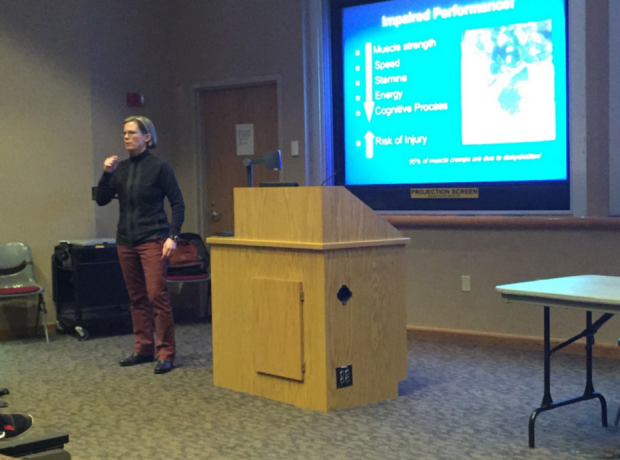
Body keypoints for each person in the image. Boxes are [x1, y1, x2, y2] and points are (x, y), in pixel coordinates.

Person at [96, 116, 185, 374]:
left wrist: (173, 236)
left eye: (132, 133)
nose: (126, 137)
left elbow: (178, 203)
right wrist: (106, 174)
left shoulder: (159, 167)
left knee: (157, 295)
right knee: (136, 298)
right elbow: (102, 199)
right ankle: (143, 348)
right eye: (124, 133)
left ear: (147, 137)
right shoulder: (120, 169)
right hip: (126, 240)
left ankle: (166, 352)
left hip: (154, 238)